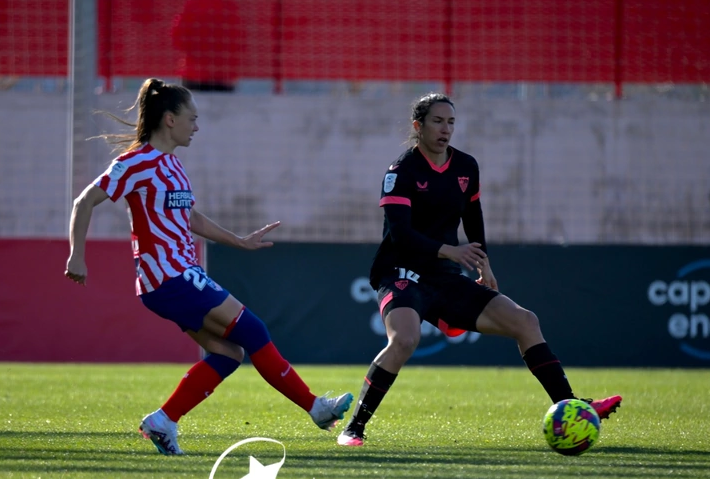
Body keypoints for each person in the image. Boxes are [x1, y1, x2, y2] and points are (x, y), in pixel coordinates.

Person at [66, 78, 352, 455]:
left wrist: (239, 240)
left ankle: (163, 421)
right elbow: (84, 201)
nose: (196, 126)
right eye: (192, 118)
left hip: (180, 277)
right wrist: (76, 255)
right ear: (170, 119)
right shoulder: (134, 163)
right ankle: (315, 408)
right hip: (169, 277)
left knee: (230, 354)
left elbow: (191, 218)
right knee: (254, 330)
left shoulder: (172, 165)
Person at [337, 93, 622, 447]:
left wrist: (483, 265)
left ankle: (574, 407)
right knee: (406, 339)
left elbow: (473, 219)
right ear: (418, 126)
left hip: (445, 276)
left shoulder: (465, 167)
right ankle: (354, 427)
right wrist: (450, 251)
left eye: (451, 122)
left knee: (525, 321)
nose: (446, 130)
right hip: (401, 271)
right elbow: (401, 234)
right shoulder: (400, 172)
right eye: (437, 122)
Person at [171, 0, 246, 92]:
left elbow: (177, 36)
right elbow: (239, 41)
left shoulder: (194, 5)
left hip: (194, 71)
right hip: (222, 74)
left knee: (192, 108)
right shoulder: (232, 9)